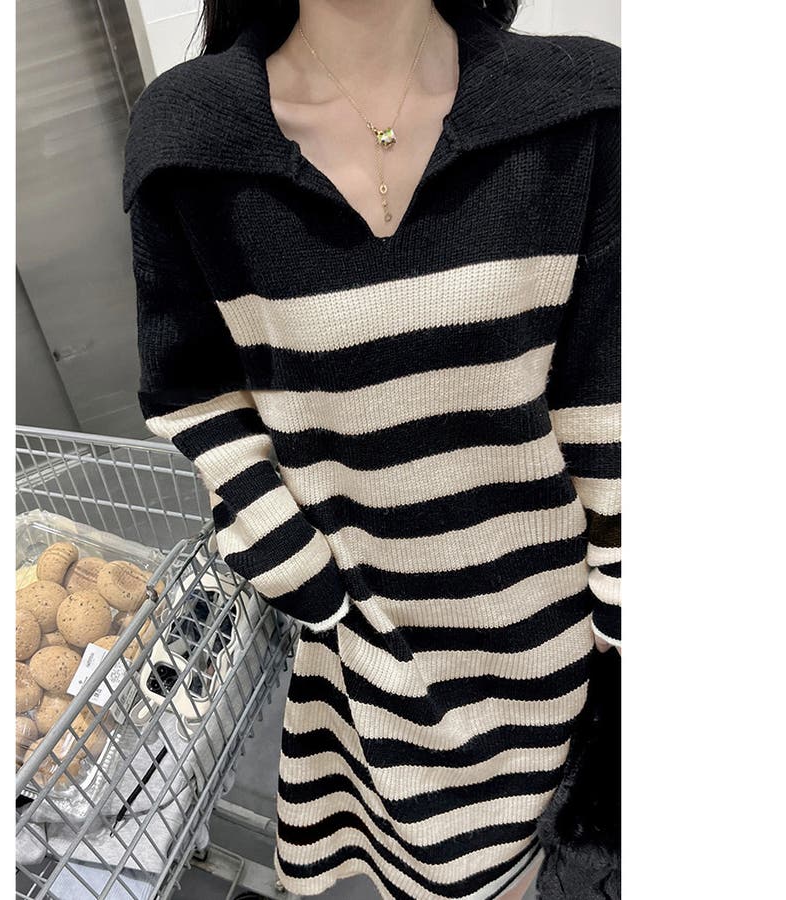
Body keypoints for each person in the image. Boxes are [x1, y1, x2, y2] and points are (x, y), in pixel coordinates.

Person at [122, 1, 620, 897]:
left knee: (530, 871)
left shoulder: (577, 105)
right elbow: (192, 389)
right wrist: (303, 576)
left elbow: (611, 397)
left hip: (549, 645)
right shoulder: (195, 138)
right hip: (363, 655)